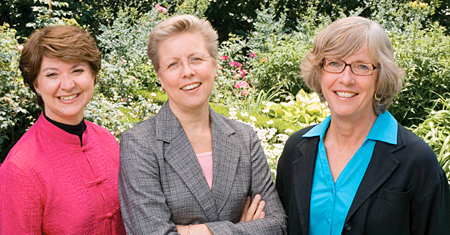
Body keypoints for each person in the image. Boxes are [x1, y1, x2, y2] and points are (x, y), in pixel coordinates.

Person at [276, 16, 450, 235]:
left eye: (362, 66)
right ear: (320, 72)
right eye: (334, 63)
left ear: (380, 77)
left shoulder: (417, 160)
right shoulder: (296, 149)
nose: (346, 79)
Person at [118, 15, 286, 235]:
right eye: (173, 64)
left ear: (215, 65)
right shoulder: (139, 144)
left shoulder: (245, 137)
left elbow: (278, 226)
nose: (187, 71)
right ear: (160, 77)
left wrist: (191, 231)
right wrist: (242, 230)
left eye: (196, 59)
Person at [0, 25, 126, 234]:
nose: (67, 85)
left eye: (77, 70)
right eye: (52, 74)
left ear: (93, 75)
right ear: (36, 85)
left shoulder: (107, 140)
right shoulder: (20, 168)